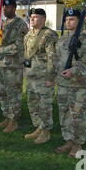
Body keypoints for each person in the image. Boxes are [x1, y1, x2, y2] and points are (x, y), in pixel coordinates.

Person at [55, 9, 86, 157]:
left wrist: (73, 70)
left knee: (77, 116)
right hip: (63, 84)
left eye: (72, 19)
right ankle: (69, 140)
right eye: (67, 19)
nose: (68, 22)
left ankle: (78, 144)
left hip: (79, 85)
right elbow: (57, 61)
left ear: (79, 22)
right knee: (64, 114)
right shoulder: (62, 39)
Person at [23, 8, 58, 144]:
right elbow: (27, 55)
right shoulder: (28, 34)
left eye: (35, 17)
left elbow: (52, 58)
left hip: (43, 77)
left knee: (44, 106)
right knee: (32, 103)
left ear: (43, 19)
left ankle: (46, 132)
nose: (32, 19)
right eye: (31, 17)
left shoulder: (49, 35)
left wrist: (51, 78)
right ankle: (39, 127)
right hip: (31, 76)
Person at [0, 0, 29, 133]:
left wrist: (1, 50)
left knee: (13, 93)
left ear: (14, 8)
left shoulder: (20, 25)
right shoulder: (2, 23)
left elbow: (20, 46)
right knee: (2, 93)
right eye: (4, 7)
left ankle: (14, 121)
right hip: (0, 64)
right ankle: (7, 117)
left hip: (13, 66)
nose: (4, 9)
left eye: (8, 7)